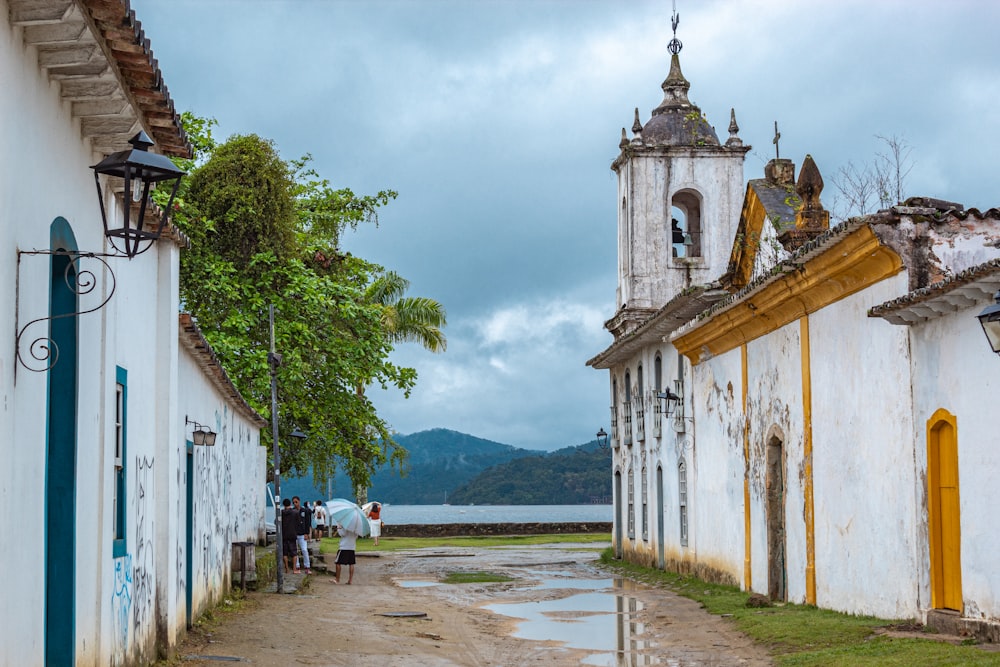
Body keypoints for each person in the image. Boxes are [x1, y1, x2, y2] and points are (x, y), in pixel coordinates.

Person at [291, 496, 312, 574]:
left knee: (304, 549)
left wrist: (307, 533)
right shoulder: (292, 511)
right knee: (295, 551)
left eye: (296, 502)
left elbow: (308, 523)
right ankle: (297, 565)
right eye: (293, 502)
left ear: (299, 501)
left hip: (303, 534)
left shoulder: (305, 511)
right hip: (294, 534)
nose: (295, 504)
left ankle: (307, 566)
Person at [279, 498, 298, 575]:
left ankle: (286, 569)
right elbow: (298, 523)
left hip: (284, 535)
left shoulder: (281, 513)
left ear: (283, 505)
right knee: (294, 553)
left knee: (285, 553)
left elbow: (276, 522)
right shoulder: (295, 513)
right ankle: (294, 569)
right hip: (292, 534)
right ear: (290, 504)